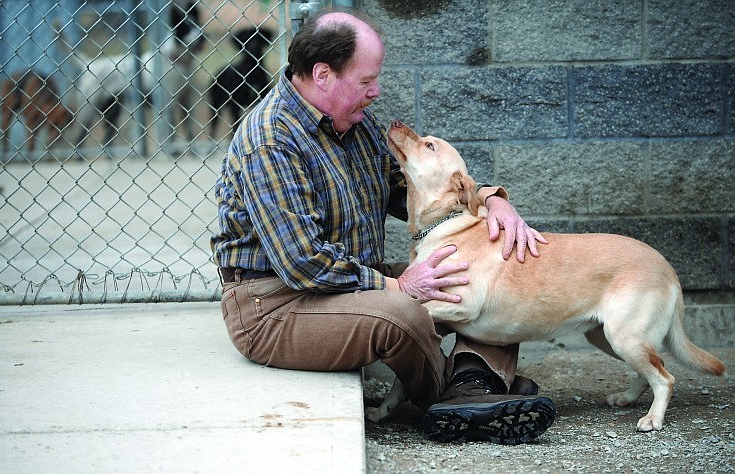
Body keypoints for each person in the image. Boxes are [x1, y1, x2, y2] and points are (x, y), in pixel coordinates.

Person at [210, 10, 555, 445]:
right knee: (402, 314)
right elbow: (304, 264)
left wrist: (489, 200)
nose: (376, 92)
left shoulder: (352, 123)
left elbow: (410, 191)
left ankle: (474, 385)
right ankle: (454, 395)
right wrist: (399, 287)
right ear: (323, 75)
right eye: (366, 80)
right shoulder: (271, 140)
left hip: (344, 282)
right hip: (274, 304)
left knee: (480, 277)